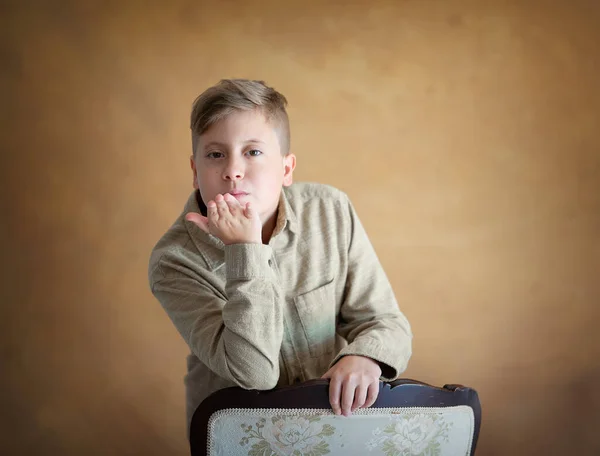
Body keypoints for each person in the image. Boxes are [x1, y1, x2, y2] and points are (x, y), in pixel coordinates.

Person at [148, 79, 412, 435]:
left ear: (286, 169)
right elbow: (255, 372)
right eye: (215, 154)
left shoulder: (330, 210)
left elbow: (386, 322)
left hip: (335, 427)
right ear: (196, 172)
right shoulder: (174, 261)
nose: (233, 171)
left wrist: (365, 357)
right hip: (243, 435)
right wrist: (246, 251)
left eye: (253, 152)